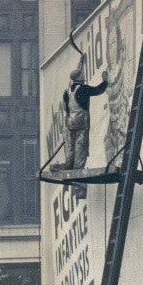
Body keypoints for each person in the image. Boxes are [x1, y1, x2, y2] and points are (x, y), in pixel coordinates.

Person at [54, 57, 107, 198]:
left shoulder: (67, 91)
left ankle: (69, 165)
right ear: (80, 78)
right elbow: (97, 90)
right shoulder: (82, 89)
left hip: (70, 121)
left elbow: (66, 107)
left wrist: (80, 63)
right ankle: (78, 170)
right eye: (82, 75)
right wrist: (105, 81)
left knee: (70, 147)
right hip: (81, 121)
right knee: (80, 146)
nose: (84, 76)